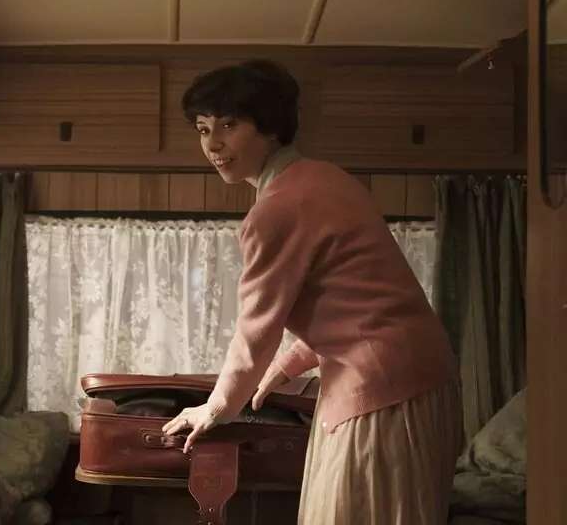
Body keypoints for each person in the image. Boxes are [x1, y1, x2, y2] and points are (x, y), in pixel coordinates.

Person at [162, 59, 462, 524]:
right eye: (203, 129)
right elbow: (354, 299)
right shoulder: (327, 178)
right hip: (423, 375)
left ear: (271, 126)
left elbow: (255, 332)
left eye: (229, 124)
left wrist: (215, 408)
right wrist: (285, 367)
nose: (213, 143)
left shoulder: (277, 209)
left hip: (380, 387)